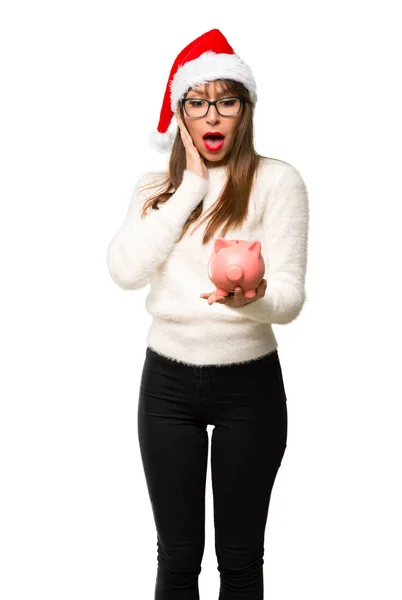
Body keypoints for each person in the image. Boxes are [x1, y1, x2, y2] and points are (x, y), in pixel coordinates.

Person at [107, 28, 309, 600]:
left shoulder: (277, 182)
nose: (212, 114)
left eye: (227, 100)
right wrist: (189, 190)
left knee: (241, 562)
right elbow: (124, 271)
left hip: (250, 386)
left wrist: (254, 300)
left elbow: (290, 299)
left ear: (245, 110)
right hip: (168, 384)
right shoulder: (156, 189)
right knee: (176, 560)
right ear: (181, 116)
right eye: (198, 102)